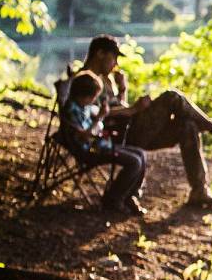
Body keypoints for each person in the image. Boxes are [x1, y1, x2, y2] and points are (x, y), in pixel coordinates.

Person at [77, 35, 212, 209]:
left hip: (131, 130)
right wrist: (134, 109)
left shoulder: (107, 80)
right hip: (121, 136)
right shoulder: (84, 80)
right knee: (172, 97)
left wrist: (123, 90)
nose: (116, 63)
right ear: (100, 53)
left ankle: (199, 189)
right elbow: (92, 116)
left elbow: (117, 108)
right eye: (113, 57)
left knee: (187, 126)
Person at [61, 70, 148, 216]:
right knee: (134, 162)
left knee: (141, 154)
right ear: (84, 96)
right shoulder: (72, 110)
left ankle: (129, 196)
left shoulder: (85, 106)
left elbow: (102, 112)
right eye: (93, 97)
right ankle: (113, 199)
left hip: (101, 145)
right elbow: (83, 136)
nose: (94, 100)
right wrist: (99, 118)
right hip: (90, 151)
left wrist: (105, 110)